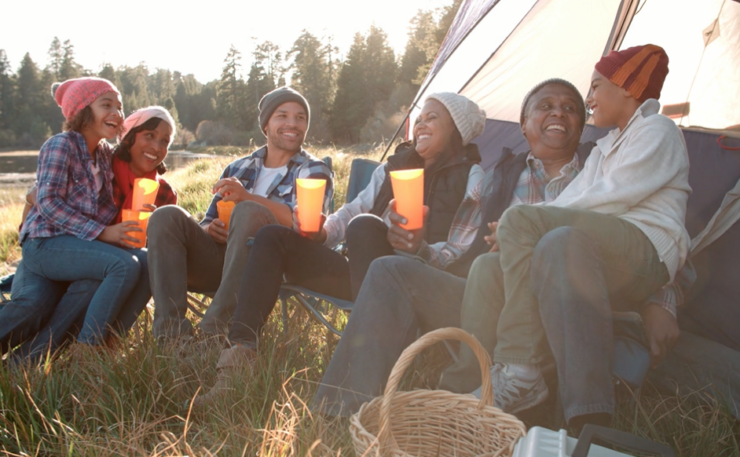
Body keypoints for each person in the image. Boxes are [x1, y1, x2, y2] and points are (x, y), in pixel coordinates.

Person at [442, 44, 689, 431]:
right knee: (490, 264)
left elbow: (615, 194)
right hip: (604, 258)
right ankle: (460, 394)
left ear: (626, 87)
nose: (589, 99)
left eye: (594, 87)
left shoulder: (657, 130)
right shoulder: (607, 146)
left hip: (647, 251)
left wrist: (529, 219)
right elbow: (573, 199)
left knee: (528, 222)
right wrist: (523, 225)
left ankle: (521, 369)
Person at [311, 79, 590, 417]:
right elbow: (464, 247)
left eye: (570, 107)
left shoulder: (599, 171)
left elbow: (637, 232)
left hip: (559, 304)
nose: (558, 112)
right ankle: (339, 410)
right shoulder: (500, 177)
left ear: (583, 124)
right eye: (545, 106)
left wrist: (660, 301)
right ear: (523, 125)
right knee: (388, 268)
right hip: (488, 298)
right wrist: (420, 249)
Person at [194, 92, 487, 407]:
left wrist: (420, 248)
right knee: (273, 236)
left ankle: (365, 365)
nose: (421, 125)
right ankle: (239, 358)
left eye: (433, 118)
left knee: (365, 226)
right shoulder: (393, 167)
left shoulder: (472, 177)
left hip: (416, 281)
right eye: (420, 118)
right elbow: (351, 211)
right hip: (360, 274)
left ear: (456, 129)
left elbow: (461, 248)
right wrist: (323, 233)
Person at [146, 86, 333, 341]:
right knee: (165, 216)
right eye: (283, 115)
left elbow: (306, 224)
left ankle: (214, 333)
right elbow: (207, 221)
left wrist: (248, 198)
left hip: (271, 266)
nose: (293, 123)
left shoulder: (313, 170)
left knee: (248, 211)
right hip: (220, 261)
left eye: (300, 117)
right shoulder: (239, 166)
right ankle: (172, 338)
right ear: (266, 125)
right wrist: (209, 230)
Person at [4, 106, 179, 360]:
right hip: (57, 249)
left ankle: (34, 363)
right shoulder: (104, 164)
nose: (156, 145)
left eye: (165, 141)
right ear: (129, 137)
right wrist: (31, 208)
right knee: (34, 305)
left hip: (105, 267)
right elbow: (41, 197)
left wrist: (155, 226)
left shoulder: (164, 193)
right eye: (149, 135)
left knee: (117, 273)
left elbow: (155, 250)